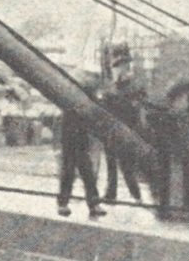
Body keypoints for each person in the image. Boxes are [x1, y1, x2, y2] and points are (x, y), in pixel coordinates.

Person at [57, 80, 107, 218]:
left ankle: (87, 204)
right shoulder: (72, 107)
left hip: (81, 145)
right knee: (71, 174)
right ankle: (65, 203)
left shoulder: (78, 106)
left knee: (85, 175)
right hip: (71, 144)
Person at [102, 68, 145, 204]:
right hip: (120, 133)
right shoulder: (130, 95)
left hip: (117, 133)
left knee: (117, 166)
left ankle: (113, 195)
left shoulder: (115, 94)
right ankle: (134, 195)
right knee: (123, 166)